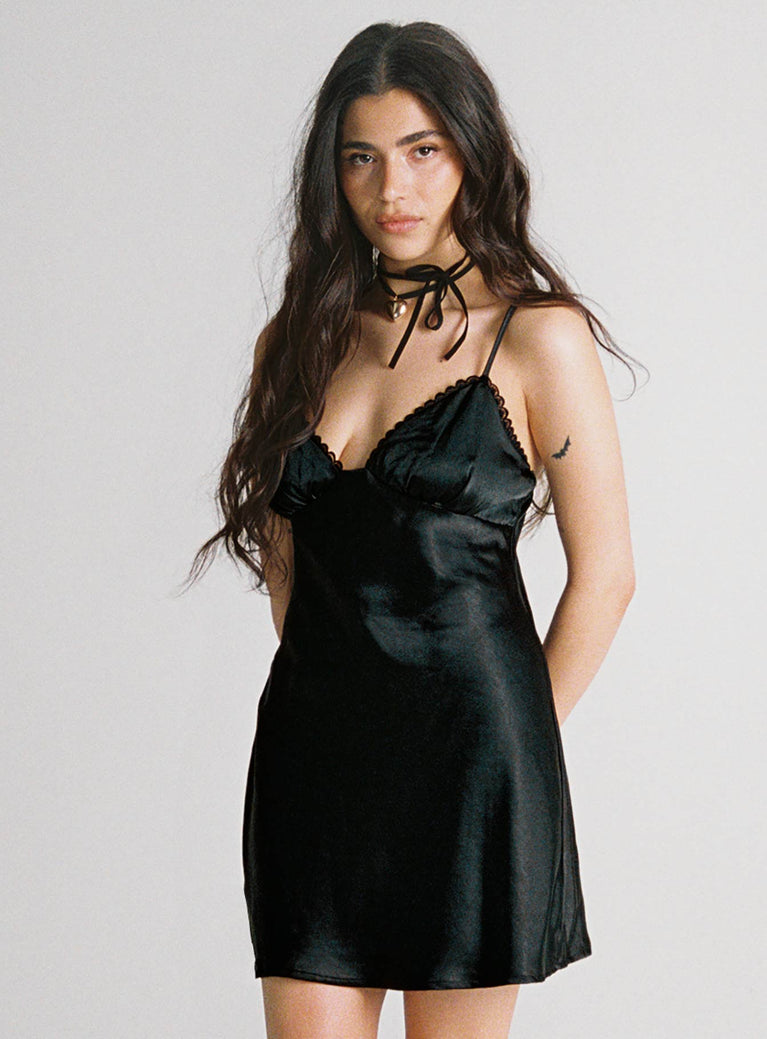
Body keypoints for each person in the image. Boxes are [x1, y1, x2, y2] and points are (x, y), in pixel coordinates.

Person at [187, 20, 636, 1039]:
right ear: (331, 174)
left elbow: (605, 575)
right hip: (313, 767)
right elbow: (289, 560)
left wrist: (506, 743)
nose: (391, 188)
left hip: (471, 768)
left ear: (471, 152)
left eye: (420, 150)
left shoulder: (537, 336)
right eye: (361, 158)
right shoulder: (298, 340)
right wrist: (349, 704)